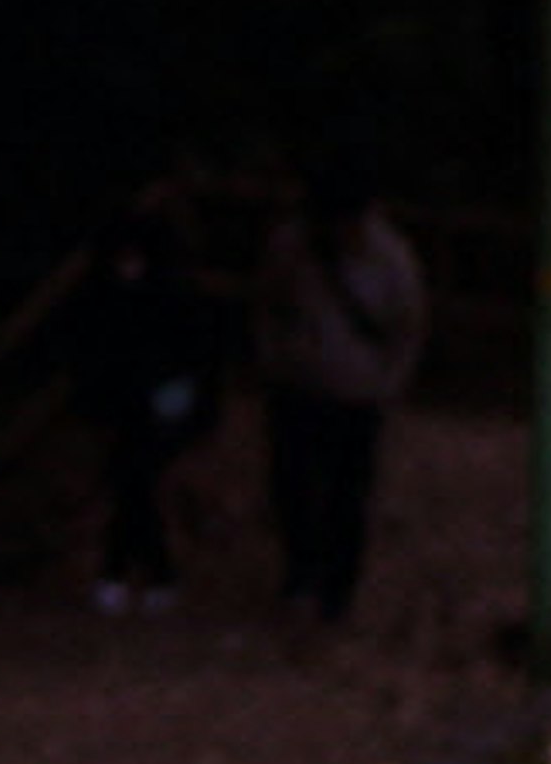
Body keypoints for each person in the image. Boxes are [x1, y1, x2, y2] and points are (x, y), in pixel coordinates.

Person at [249, 157, 429, 624]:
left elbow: (407, 328)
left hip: (357, 395)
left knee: (346, 496)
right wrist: (273, 361)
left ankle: (336, 589)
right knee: (294, 487)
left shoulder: (391, 259)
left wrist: (387, 387)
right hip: (298, 385)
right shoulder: (291, 246)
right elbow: (268, 304)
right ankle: (301, 576)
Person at [63, 184, 222, 610]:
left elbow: (190, 346)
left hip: (159, 396)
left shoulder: (166, 279)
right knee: (134, 481)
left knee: (135, 479)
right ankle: (148, 572)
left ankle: (125, 572)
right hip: (130, 393)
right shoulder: (123, 273)